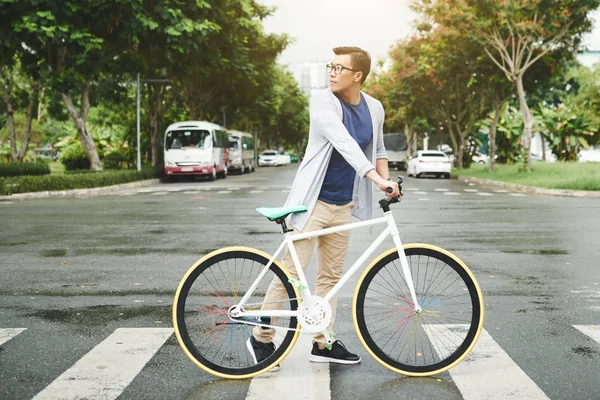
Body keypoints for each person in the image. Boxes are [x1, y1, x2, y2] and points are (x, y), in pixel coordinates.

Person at [247, 46, 400, 367]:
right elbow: (341, 140)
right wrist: (375, 177)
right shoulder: (323, 101)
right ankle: (261, 338)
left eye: (339, 68)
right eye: (330, 66)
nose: (331, 72)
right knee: (290, 273)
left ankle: (323, 342)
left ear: (357, 76)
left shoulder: (374, 108)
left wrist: (389, 182)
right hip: (311, 203)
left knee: (330, 278)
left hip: (343, 204)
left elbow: (379, 148)